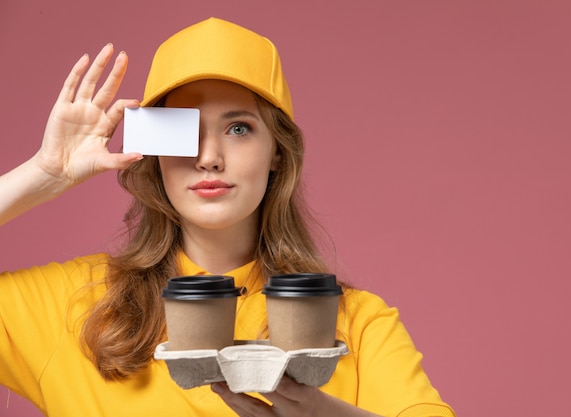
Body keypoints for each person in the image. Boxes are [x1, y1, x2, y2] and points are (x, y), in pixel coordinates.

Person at [0, 17, 456, 417]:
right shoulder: (77, 306)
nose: (209, 158)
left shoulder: (355, 322)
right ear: (155, 150)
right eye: (182, 130)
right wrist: (43, 174)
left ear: (277, 151)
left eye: (238, 128)